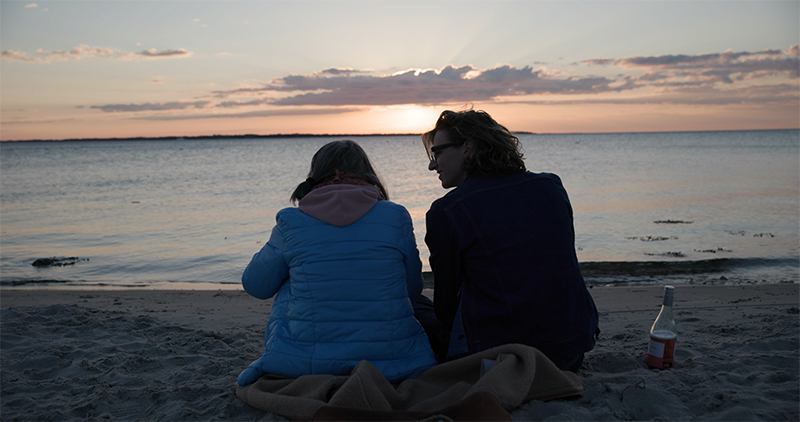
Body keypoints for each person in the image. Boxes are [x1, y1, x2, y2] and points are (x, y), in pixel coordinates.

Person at [237, 140, 436, 386]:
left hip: (304, 364)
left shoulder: (291, 222)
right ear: (368, 173)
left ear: (315, 176)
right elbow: (412, 290)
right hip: (395, 361)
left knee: (292, 274)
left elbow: (256, 286)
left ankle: (301, 347)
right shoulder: (395, 216)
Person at [416, 109, 599, 372]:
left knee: (414, 306)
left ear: (467, 147)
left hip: (501, 359)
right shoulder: (551, 187)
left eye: (438, 153)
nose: (433, 165)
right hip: (571, 349)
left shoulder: (447, 212)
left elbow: (445, 310)